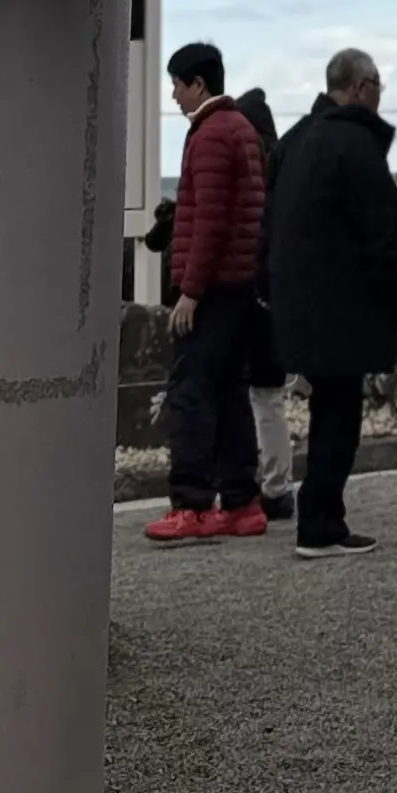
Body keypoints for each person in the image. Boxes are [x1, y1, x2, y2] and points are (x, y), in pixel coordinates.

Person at [265, 44, 397, 560]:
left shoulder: (297, 139)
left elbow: (271, 225)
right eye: (377, 85)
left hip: (300, 303)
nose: (380, 96)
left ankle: (320, 518)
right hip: (342, 306)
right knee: (339, 416)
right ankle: (321, 524)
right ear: (359, 87)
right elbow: (382, 233)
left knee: (327, 411)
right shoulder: (355, 144)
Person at [145, 40, 269, 543]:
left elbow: (210, 221)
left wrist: (189, 291)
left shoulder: (212, 134)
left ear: (199, 84)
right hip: (239, 287)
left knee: (192, 392)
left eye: (177, 83)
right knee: (230, 392)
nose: (173, 95)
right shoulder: (240, 128)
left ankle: (191, 504)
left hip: (212, 290)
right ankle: (242, 502)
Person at [234, 83, 297, 521]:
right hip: (279, 302)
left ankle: (273, 486)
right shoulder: (286, 173)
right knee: (268, 396)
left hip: (261, 300)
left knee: (262, 395)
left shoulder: (262, 178)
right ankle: (276, 486)